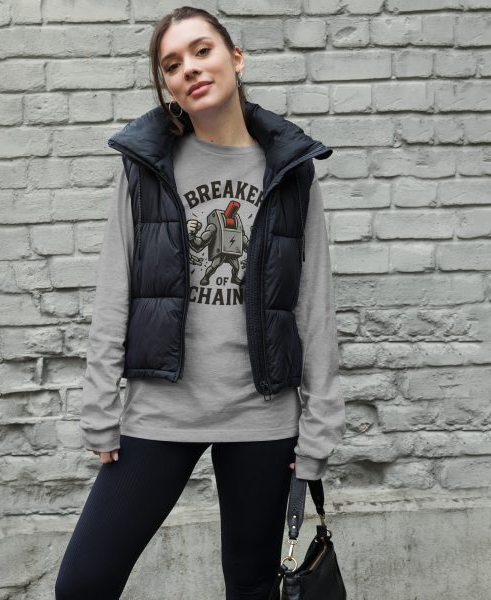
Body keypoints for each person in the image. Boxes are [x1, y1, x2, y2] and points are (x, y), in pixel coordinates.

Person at [55, 6, 346, 600]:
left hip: (263, 415)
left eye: (202, 50)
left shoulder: (290, 171)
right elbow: (114, 290)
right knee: (83, 584)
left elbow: (313, 306)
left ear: (236, 58)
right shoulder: (145, 167)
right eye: (171, 64)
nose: (189, 68)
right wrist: (100, 405)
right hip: (162, 410)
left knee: (251, 586)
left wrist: (320, 426)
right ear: (167, 86)